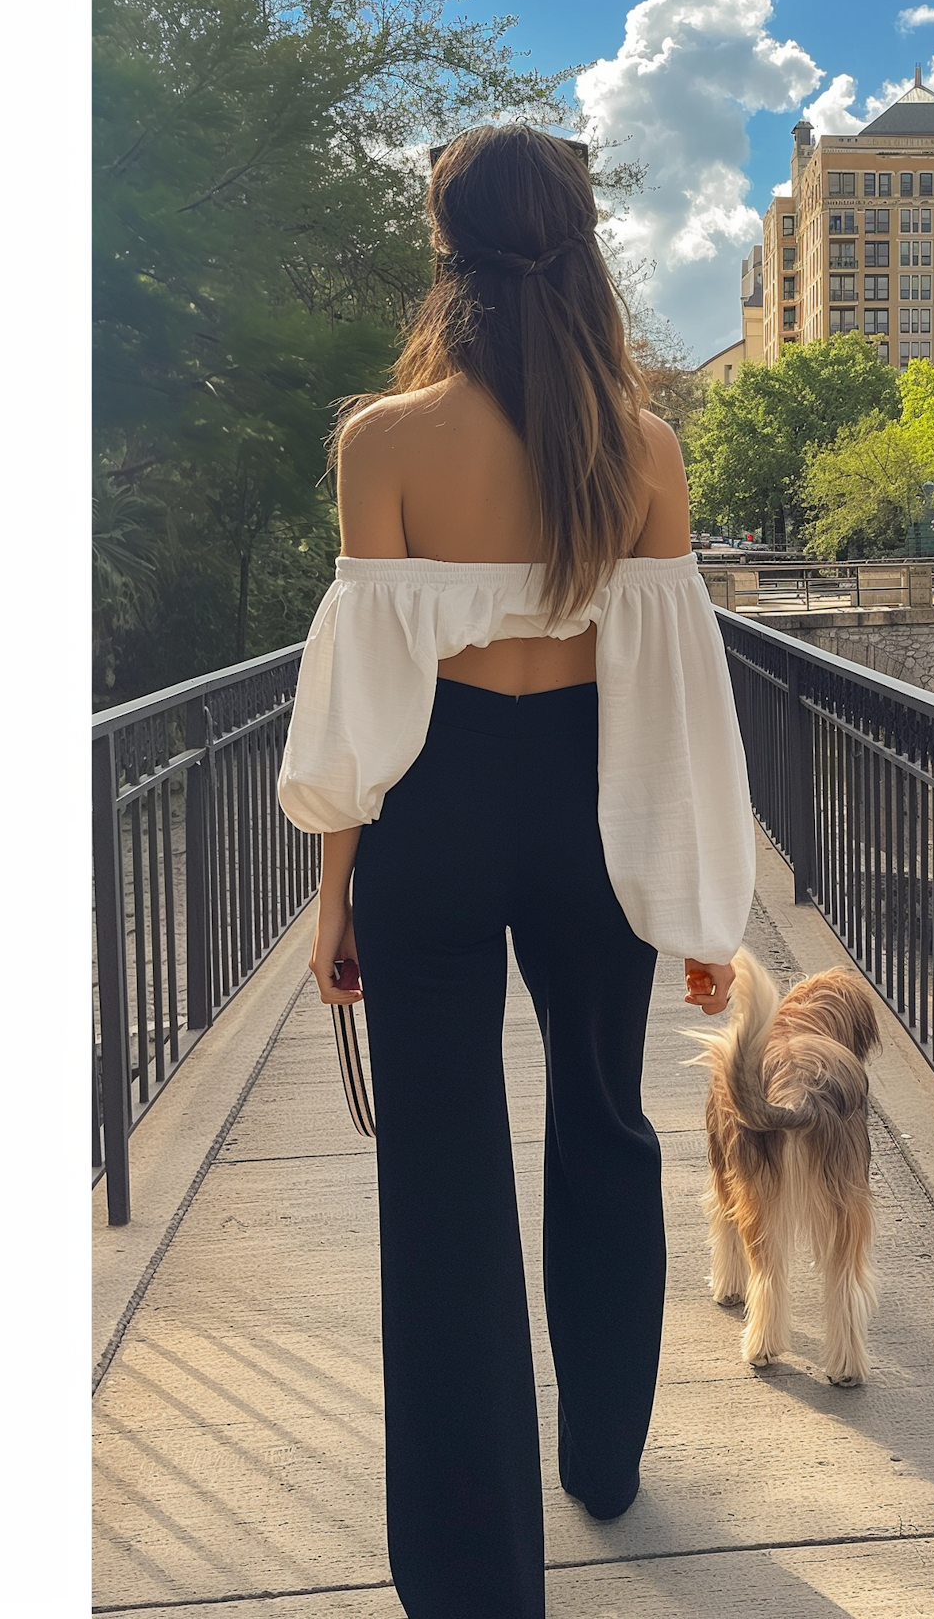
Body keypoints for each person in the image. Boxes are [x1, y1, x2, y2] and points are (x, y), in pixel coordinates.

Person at [275, 125, 757, 1619]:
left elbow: (361, 697)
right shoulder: (646, 449)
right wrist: (700, 904)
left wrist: (335, 887)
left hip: (431, 805)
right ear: (585, 241)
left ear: (447, 244)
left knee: (440, 1176)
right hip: (592, 807)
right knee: (606, 1123)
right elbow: (679, 689)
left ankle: (478, 1578)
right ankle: (604, 1460)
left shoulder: (386, 444)